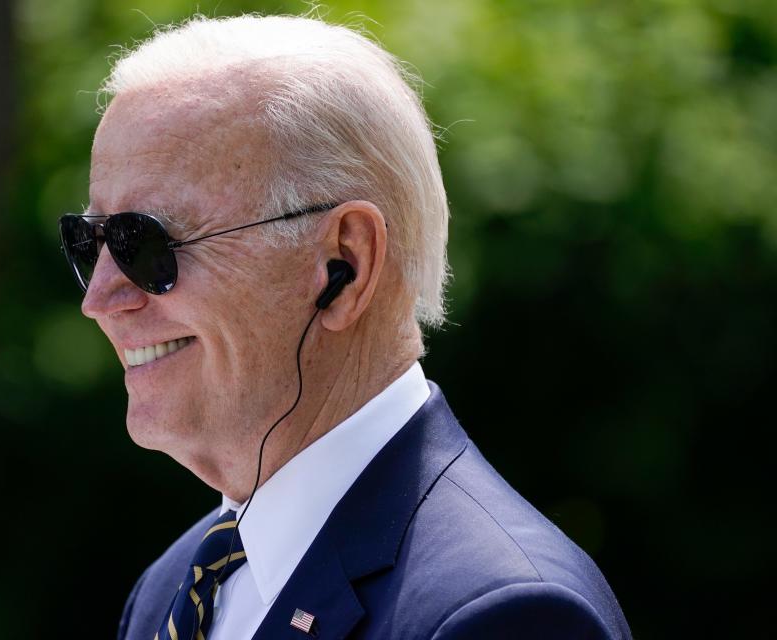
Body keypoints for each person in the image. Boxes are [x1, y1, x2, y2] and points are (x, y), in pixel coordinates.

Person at [59, 14, 631, 640]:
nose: (102, 299)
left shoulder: (502, 615)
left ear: (346, 264)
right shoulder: (173, 590)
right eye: (92, 242)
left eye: (145, 244)